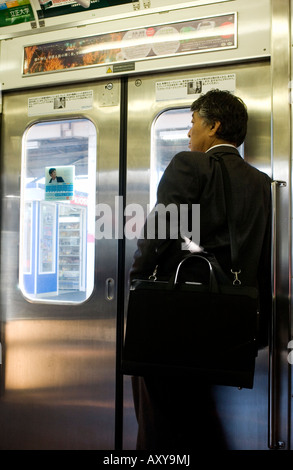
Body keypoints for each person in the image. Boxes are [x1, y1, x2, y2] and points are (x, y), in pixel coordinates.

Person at [129, 89, 272, 450]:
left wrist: (138, 281)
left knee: (158, 421)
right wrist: (261, 327)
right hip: (232, 324)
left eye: (193, 124)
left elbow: (158, 232)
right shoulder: (261, 183)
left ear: (214, 126)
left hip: (176, 319)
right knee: (198, 418)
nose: (189, 134)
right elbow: (264, 256)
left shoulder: (188, 165)